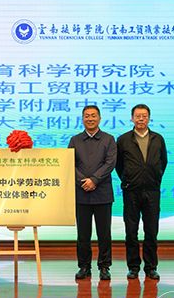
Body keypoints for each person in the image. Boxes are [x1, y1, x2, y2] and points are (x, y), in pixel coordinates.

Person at [115, 104, 167, 281]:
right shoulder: (123, 139)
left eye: (144, 116)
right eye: (137, 116)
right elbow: (118, 164)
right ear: (132, 118)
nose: (141, 119)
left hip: (152, 191)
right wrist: (128, 179)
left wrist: (154, 178)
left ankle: (151, 267)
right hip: (131, 191)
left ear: (149, 118)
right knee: (131, 231)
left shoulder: (158, 138)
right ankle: (133, 267)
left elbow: (163, 162)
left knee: (151, 231)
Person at [68, 105, 117, 281]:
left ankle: (104, 267)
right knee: (83, 234)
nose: (90, 119)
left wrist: (94, 180)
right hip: (81, 193)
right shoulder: (75, 140)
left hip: (102, 193)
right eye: (87, 116)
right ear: (82, 119)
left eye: (93, 116)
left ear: (99, 118)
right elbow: (69, 163)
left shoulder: (109, 139)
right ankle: (84, 266)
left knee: (104, 234)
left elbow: (110, 163)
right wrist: (84, 181)